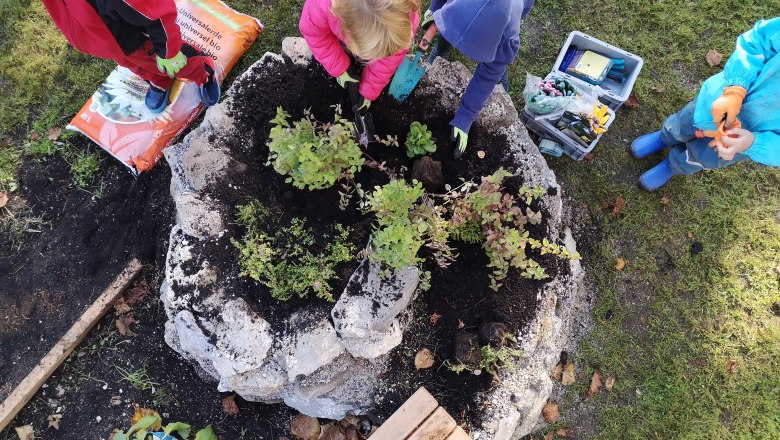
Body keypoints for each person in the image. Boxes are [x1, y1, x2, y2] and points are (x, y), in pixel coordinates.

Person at [631, 17, 780, 191]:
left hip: (743, 138)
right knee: (685, 121)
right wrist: (736, 88)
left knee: (705, 156)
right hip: (719, 98)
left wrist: (754, 143)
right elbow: (758, 41)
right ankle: (665, 136)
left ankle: (673, 165)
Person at [43, 0, 221, 114]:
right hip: (111, 43)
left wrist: (169, 51)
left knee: (182, 64)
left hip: (140, 38)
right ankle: (158, 79)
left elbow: (155, 11)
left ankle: (204, 72)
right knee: (136, 66)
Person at [424, 0, 535, 158]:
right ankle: (442, 49)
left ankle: (502, 90)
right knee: (446, 33)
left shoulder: (506, 35)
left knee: (497, 69)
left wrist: (466, 115)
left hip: (507, 17)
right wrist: (435, 10)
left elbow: (489, 74)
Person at [299, 0, 420, 112]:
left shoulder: (403, 19)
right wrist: (338, 67)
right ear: (347, 31)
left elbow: (389, 61)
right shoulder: (321, 6)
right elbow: (315, 34)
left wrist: (370, 89)